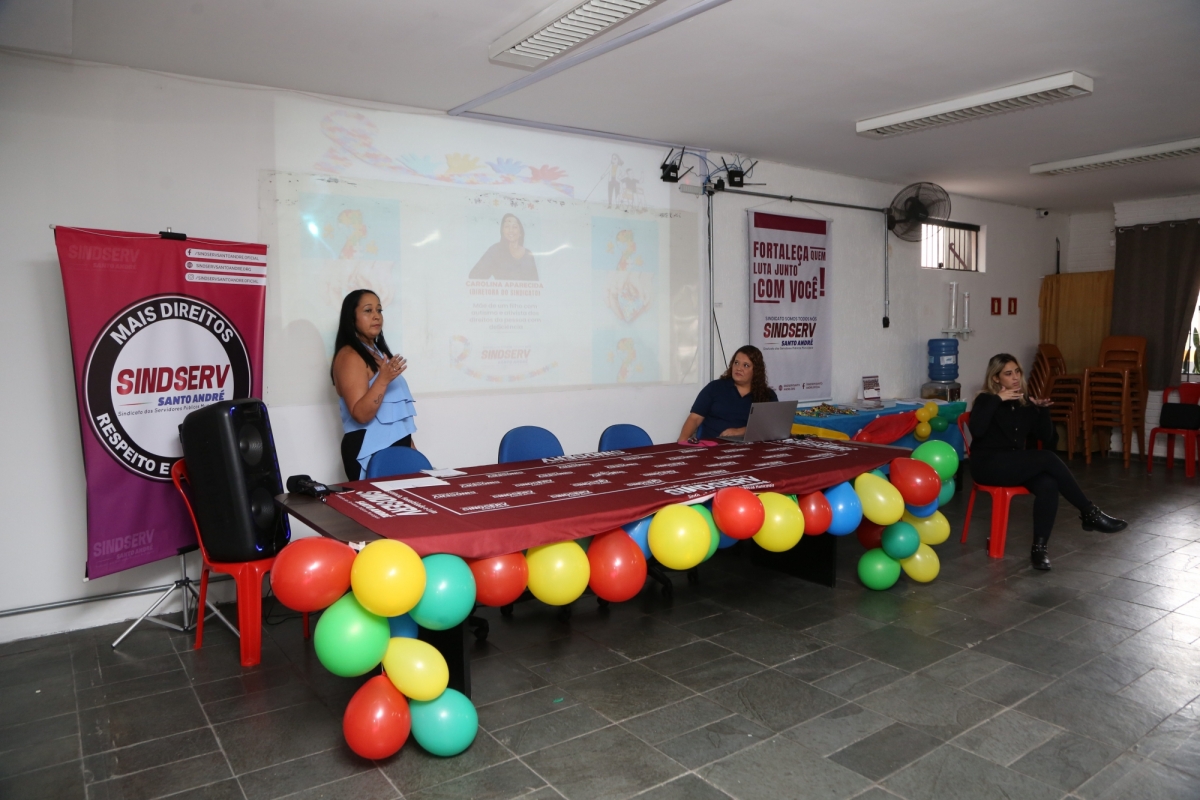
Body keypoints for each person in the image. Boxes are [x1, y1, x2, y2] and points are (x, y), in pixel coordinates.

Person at [968, 353, 1126, 571]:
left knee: (1048, 484)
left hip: (1014, 465)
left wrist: (1042, 411)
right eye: (1008, 374)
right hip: (988, 465)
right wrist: (997, 399)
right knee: (1047, 458)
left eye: (1017, 372)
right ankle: (1090, 513)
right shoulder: (986, 399)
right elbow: (976, 430)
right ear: (996, 378)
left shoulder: (1022, 402)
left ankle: (1039, 550)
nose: (1015, 377)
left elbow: (1047, 438)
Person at [332, 289, 418, 480]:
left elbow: (397, 419)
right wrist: (383, 379)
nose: (376, 316)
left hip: (397, 450)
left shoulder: (379, 353)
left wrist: (413, 454)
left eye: (379, 310)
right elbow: (361, 414)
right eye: (368, 310)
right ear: (351, 318)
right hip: (367, 450)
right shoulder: (350, 356)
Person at [678, 346, 778, 442]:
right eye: (736, 363)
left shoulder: (767, 395)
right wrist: (681, 443)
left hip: (750, 447)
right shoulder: (715, 388)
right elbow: (694, 419)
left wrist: (740, 431)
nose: (739, 368)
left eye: (746, 365)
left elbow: (771, 427)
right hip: (713, 446)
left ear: (756, 371)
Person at [468, 214, 538, 281]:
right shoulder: (495, 250)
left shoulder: (528, 254)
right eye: (507, 226)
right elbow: (474, 276)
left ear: (520, 232)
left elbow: (535, 283)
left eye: (515, 227)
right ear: (502, 231)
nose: (511, 230)